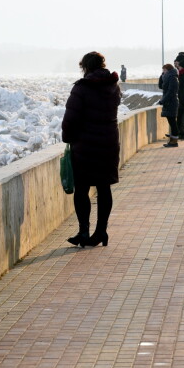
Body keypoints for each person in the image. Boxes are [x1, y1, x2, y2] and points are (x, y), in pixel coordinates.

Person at [62, 52, 121, 248]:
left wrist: (67, 138)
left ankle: (84, 231)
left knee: (82, 189)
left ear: (85, 67)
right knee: (104, 188)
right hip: (109, 144)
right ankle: (101, 231)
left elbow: (70, 119)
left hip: (85, 146)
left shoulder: (81, 89)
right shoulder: (113, 86)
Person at [158, 63, 180, 147]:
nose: (163, 72)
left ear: (168, 70)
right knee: (171, 121)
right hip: (168, 103)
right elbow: (160, 86)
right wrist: (161, 76)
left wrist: (163, 100)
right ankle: (172, 140)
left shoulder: (173, 78)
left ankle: (174, 141)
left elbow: (171, 92)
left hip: (171, 102)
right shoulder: (167, 78)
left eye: (164, 70)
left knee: (173, 122)